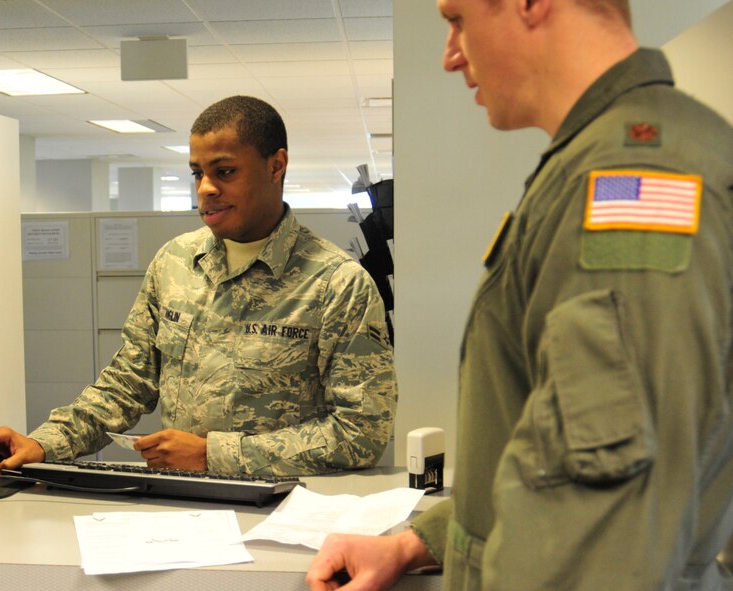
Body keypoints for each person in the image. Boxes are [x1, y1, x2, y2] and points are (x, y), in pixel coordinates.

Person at [307, 0, 733, 589]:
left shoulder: (628, 178)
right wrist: (418, 543)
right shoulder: (606, 158)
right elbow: (554, 453)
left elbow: (599, 530)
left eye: (457, 20)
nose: (451, 55)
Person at [0, 95, 397, 477]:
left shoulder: (336, 284)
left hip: (284, 515)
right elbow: (125, 384)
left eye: (225, 171)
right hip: (183, 508)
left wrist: (214, 454)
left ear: (276, 166)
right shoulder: (175, 263)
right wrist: (42, 443)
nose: (206, 189)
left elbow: (360, 433)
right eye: (197, 173)